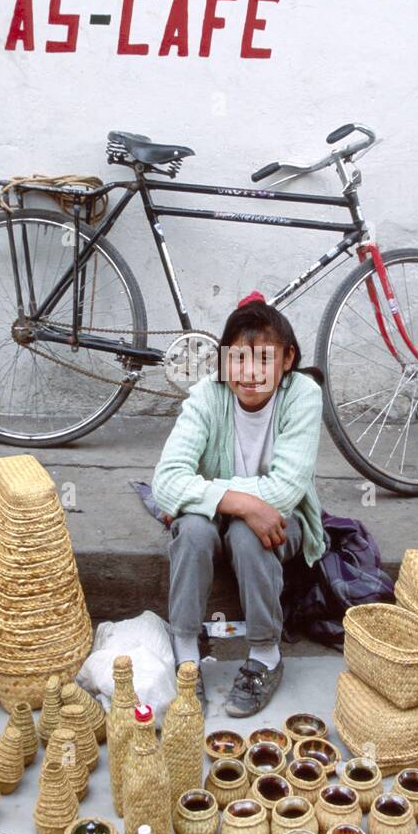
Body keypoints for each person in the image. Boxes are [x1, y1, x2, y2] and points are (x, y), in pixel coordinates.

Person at [151, 292, 327, 717]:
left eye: (264, 359)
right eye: (238, 359)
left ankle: (266, 652)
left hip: (279, 525)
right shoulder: (206, 397)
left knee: (251, 532)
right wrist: (243, 502)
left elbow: (285, 492)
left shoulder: (303, 394)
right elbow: (166, 480)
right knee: (193, 530)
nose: (249, 374)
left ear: (287, 359)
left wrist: (209, 493)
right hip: (217, 519)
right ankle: (186, 649)